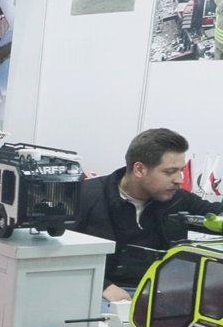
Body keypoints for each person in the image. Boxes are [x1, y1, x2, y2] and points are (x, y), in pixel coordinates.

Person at [74, 127, 223, 301]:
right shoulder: (84, 197)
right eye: (169, 172)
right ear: (139, 170)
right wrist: (102, 285)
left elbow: (216, 214)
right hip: (101, 291)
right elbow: (57, 254)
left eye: (181, 170)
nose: (179, 180)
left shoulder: (178, 199)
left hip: (164, 293)